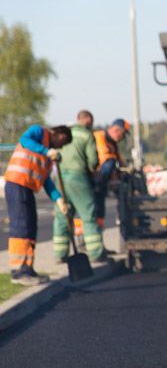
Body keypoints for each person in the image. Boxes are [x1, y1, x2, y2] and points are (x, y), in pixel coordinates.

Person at [4, 124, 72, 285]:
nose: (60, 148)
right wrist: (46, 151)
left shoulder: (48, 157)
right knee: (21, 226)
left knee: (30, 227)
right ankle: (19, 272)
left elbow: (47, 182)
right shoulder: (39, 132)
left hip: (26, 188)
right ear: (61, 136)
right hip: (17, 184)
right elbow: (24, 139)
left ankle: (28, 268)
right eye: (62, 145)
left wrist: (58, 199)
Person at [53, 110, 106, 263]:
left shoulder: (66, 133)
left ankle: (60, 253)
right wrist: (93, 170)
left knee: (62, 215)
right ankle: (96, 252)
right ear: (88, 121)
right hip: (79, 178)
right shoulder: (87, 135)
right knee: (88, 216)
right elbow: (93, 161)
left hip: (61, 178)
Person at [93, 119, 129, 229]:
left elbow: (120, 161)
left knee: (100, 210)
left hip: (102, 182)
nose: (122, 138)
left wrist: (127, 170)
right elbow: (105, 159)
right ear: (116, 130)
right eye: (122, 135)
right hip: (96, 178)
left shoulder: (112, 144)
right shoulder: (100, 137)